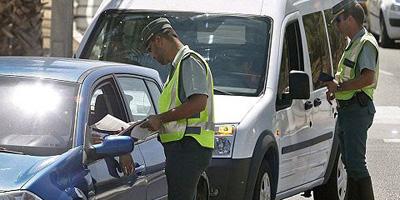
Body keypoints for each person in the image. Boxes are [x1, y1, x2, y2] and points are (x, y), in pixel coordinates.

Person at [139, 18, 215, 200]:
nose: (152, 55)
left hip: (188, 147)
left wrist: (160, 119)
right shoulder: (178, 66)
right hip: (183, 148)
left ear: (159, 40)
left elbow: (198, 103)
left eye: (150, 49)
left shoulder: (189, 61)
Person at [325, 1, 379, 199]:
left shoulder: (365, 43)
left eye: (338, 20)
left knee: (356, 164)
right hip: (348, 109)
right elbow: (347, 74)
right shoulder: (353, 43)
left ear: (350, 19)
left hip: (357, 109)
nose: (336, 25)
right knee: (349, 162)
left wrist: (338, 87)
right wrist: (335, 88)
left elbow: (367, 78)